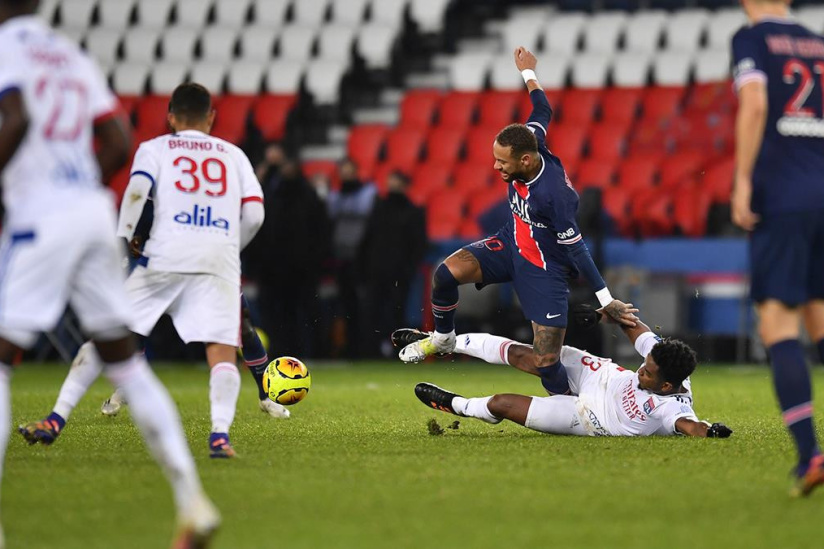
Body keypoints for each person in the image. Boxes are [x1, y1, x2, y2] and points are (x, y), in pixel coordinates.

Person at [0, 2, 218, 547]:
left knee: (1, 361)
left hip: (39, 215)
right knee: (124, 361)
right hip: (90, 212)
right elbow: (117, 140)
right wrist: (76, 194)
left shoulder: (7, 47)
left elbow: (18, 117)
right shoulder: (71, 55)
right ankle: (191, 500)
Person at [20, 83, 267, 459]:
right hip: (217, 259)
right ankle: (219, 436)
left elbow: (136, 194)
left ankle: (55, 419)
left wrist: (122, 245)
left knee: (106, 337)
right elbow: (254, 214)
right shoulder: (233, 155)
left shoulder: (155, 149)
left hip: (164, 256)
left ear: (170, 116)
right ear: (212, 118)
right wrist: (231, 246)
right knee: (221, 351)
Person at [397, 47, 636, 398]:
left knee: (546, 361)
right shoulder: (531, 137)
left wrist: (606, 298)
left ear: (525, 160)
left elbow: (579, 250)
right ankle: (444, 339)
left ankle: (569, 407)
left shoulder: (554, 197)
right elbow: (543, 109)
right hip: (510, 243)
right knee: (444, 275)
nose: (496, 168)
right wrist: (528, 73)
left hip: (544, 268)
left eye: (502, 162)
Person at [731, 0, 824, 496]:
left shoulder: (752, 40)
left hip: (784, 198)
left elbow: (757, 104)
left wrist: (743, 180)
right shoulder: (817, 42)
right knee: (820, 316)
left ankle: (810, 455)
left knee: (779, 324)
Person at [399, 311, 733, 440]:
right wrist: (608, 313)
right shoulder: (663, 360)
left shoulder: (673, 407)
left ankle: (456, 406)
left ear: (666, 386)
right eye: (644, 364)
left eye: (647, 373)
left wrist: (713, 432)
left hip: (590, 419)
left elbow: (693, 427)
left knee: (501, 404)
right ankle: (440, 343)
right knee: (527, 355)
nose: (640, 371)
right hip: (597, 376)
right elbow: (637, 327)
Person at [245, 157, 331, 358]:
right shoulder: (273, 198)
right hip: (273, 272)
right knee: (276, 316)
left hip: (302, 272)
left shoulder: (307, 200)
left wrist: (314, 263)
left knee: (303, 316)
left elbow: (321, 235)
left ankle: (309, 353)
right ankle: (277, 353)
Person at [360, 171, 428, 357]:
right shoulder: (379, 208)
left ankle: (395, 350)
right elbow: (367, 240)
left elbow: (418, 244)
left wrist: (408, 269)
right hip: (377, 270)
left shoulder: (412, 212)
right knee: (373, 311)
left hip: (399, 273)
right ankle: (371, 350)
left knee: (395, 312)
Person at [328, 157, 378, 358]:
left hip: (362, 259)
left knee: (363, 305)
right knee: (345, 305)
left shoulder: (367, 194)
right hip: (341, 258)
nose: (346, 175)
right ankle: (348, 347)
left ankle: (365, 348)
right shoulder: (335, 196)